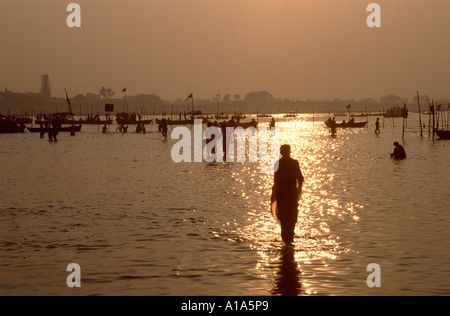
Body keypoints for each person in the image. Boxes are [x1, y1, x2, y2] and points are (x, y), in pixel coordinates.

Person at [271, 144, 304, 245]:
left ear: (281, 152)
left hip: (283, 196)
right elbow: (301, 178)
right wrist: (298, 190)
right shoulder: (294, 163)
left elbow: (276, 181)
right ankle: (289, 239)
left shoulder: (278, 163)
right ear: (289, 152)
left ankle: (286, 239)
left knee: (284, 219)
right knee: (291, 217)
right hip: (291, 195)